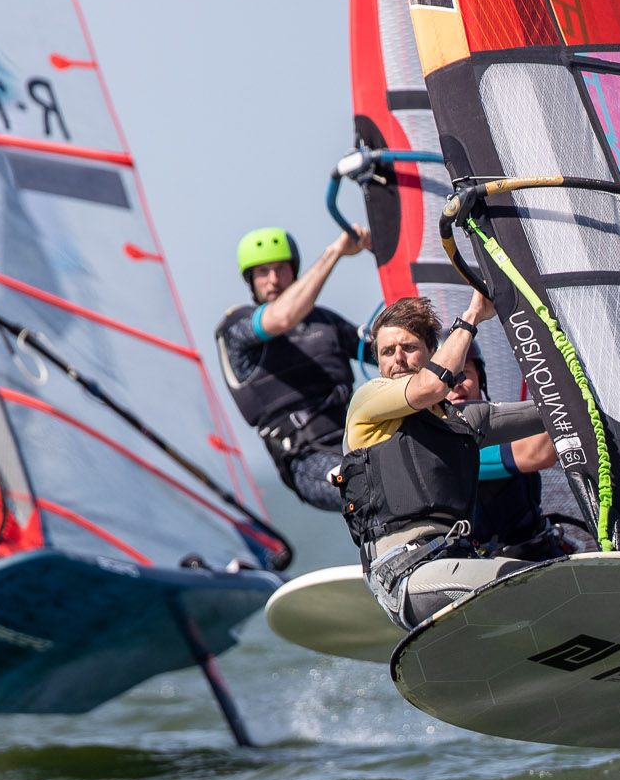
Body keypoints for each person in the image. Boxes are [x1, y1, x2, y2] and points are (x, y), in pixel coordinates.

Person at [338, 291, 564, 627]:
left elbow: (555, 412)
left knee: (548, 580)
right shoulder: (367, 403)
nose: (397, 358)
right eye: (387, 351)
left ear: (431, 353)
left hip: (457, 562)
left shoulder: (461, 420)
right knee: (539, 586)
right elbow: (430, 386)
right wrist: (473, 314)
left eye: (409, 348)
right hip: (406, 576)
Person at [214, 225, 368, 510]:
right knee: (361, 486)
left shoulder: (325, 322)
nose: (273, 280)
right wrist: (335, 252)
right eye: (263, 272)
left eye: (281, 269)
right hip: (307, 460)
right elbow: (282, 317)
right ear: (250, 280)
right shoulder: (237, 329)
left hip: (359, 440)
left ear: (294, 271)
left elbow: (387, 346)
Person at [455, 350, 569, 559]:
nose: (456, 384)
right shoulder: (443, 445)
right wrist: (564, 394)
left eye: (464, 373)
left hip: (542, 553)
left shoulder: (503, 421)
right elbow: (537, 452)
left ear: (481, 378)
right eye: (448, 377)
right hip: (493, 571)